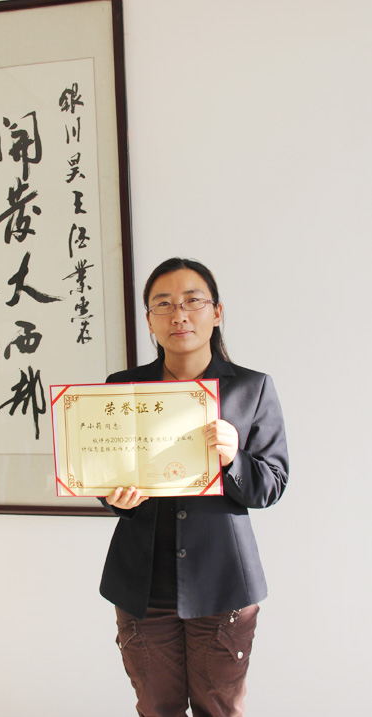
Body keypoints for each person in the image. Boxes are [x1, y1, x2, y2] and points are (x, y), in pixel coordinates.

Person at [99, 257, 288, 717]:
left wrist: (233, 458)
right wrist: (114, 497)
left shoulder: (251, 388)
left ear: (216, 312)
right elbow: (106, 473)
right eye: (163, 304)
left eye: (192, 301)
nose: (178, 315)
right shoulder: (121, 388)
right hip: (142, 583)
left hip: (223, 582)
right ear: (149, 320)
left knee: (219, 709)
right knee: (156, 708)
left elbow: (271, 484)